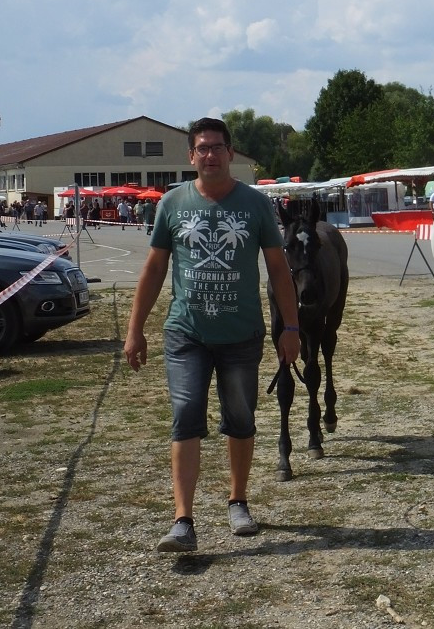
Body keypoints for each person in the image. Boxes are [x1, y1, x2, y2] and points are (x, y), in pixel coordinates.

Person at [123, 117, 301, 552]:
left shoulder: (255, 205)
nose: (209, 155)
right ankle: (183, 520)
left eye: (216, 147)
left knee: (240, 419)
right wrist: (135, 329)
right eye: (201, 148)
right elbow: (154, 268)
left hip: (241, 334)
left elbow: (279, 270)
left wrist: (290, 327)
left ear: (230, 154)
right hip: (187, 333)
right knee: (186, 415)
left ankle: (237, 500)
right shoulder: (173, 203)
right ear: (191, 155)